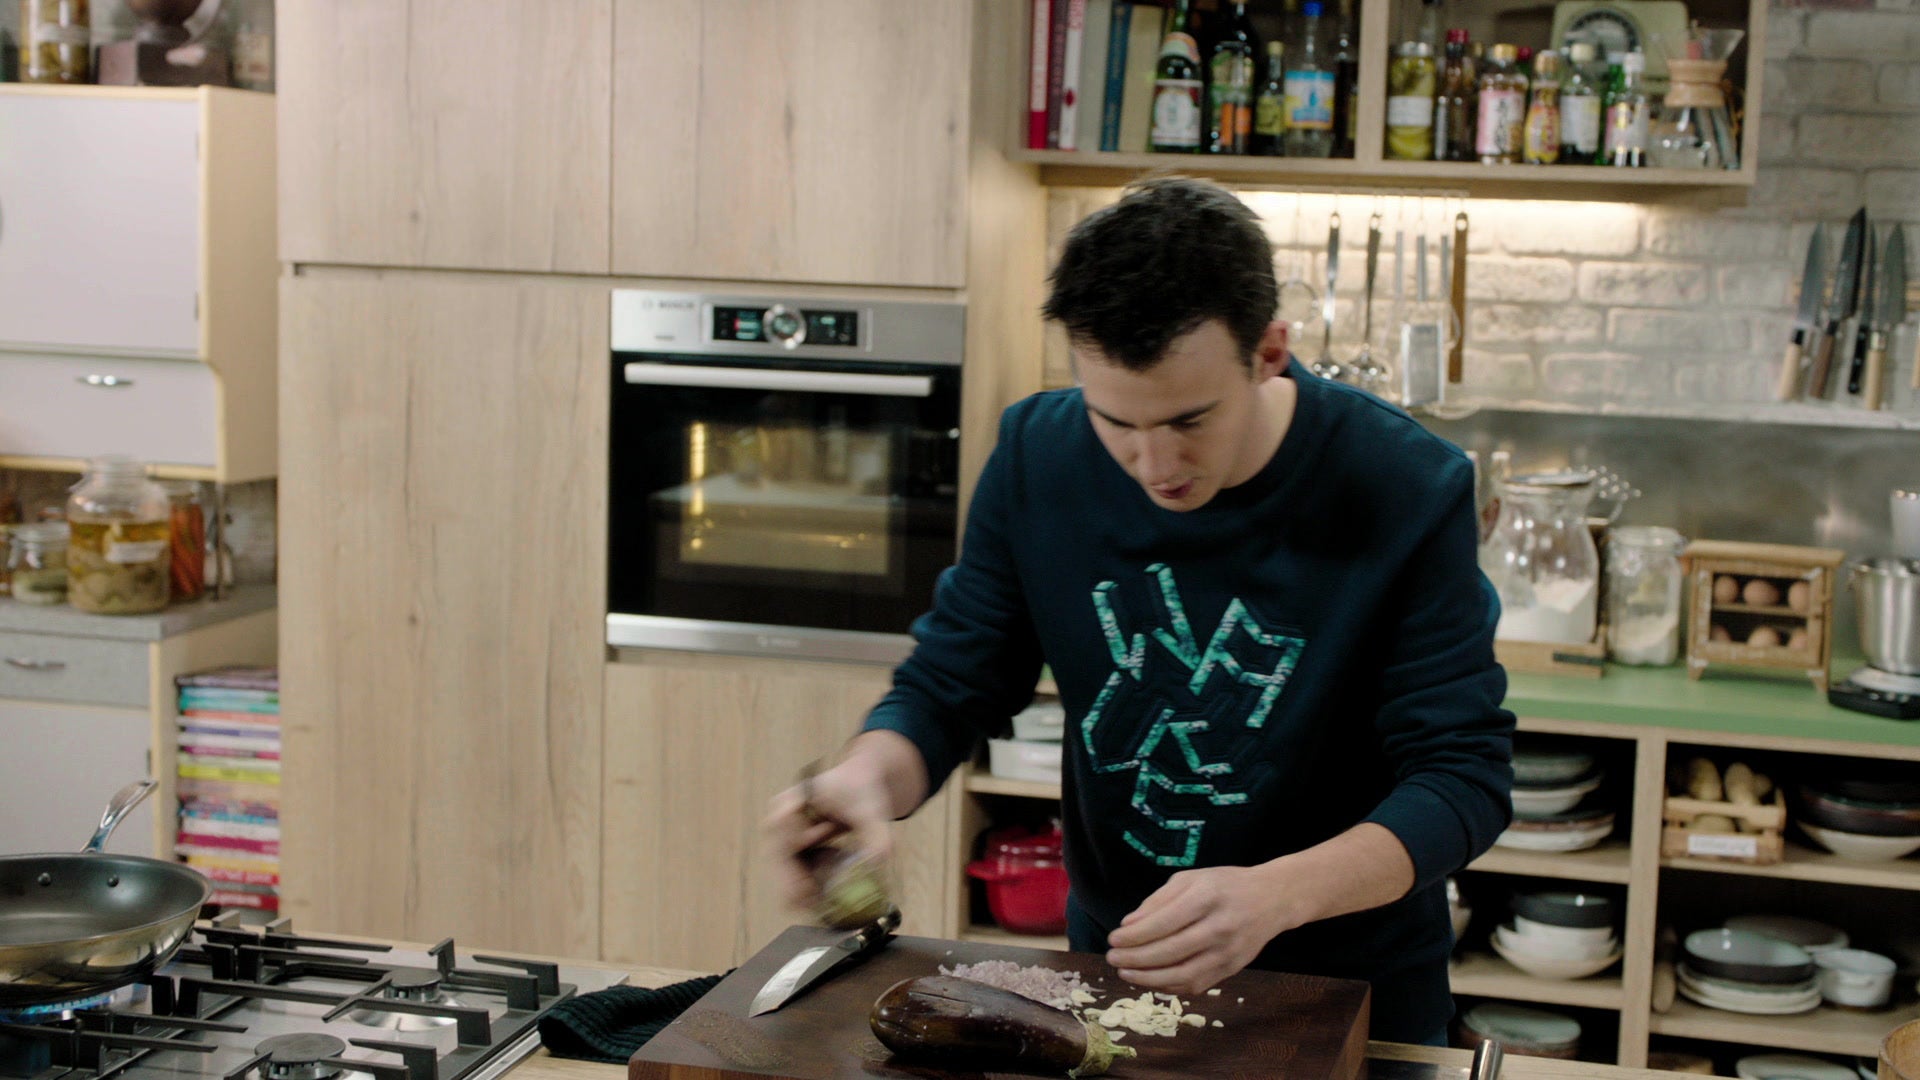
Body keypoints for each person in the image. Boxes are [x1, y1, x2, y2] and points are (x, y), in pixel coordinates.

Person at [765, 176, 1514, 1045]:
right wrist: (863, 779)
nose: (1153, 464)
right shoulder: (1039, 457)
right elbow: (951, 684)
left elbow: (1462, 777)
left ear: (1269, 351)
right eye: (1115, 421)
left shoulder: (1406, 486)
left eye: (1189, 421)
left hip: (1353, 992)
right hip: (1118, 978)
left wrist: (1277, 894)